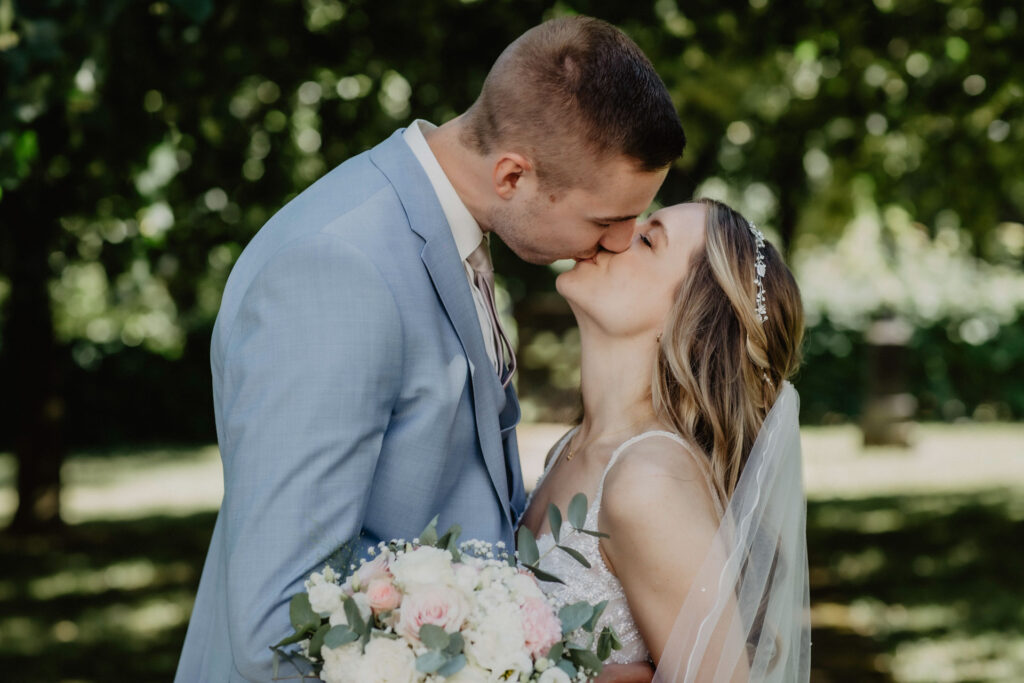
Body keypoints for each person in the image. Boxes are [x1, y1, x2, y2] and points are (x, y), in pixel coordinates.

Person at [175, 16, 685, 682]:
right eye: (606, 220)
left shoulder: (452, 232)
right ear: (512, 177)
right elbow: (279, 627)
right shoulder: (338, 268)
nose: (620, 242)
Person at [521, 198, 811, 682]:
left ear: (691, 323)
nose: (614, 235)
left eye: (648, 239)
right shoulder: (569, 447)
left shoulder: (646, 481)